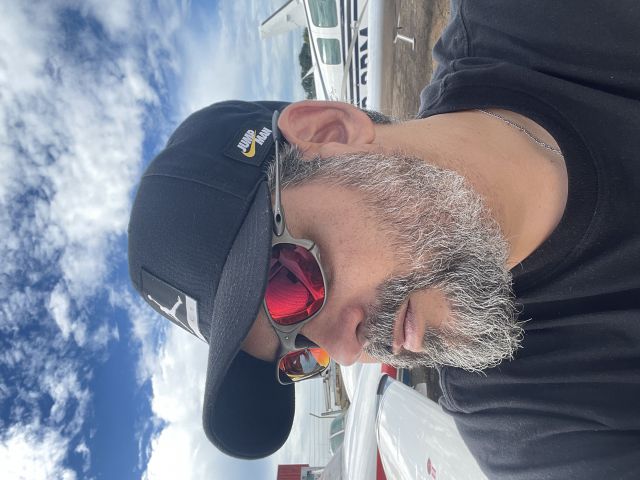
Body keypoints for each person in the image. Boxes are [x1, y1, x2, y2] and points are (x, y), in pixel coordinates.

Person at [127, 0, 640, 477]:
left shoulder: (534, 16)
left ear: (331, 132)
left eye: (290, 289)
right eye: (298, 348)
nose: (346, 351)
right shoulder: (530, 427)